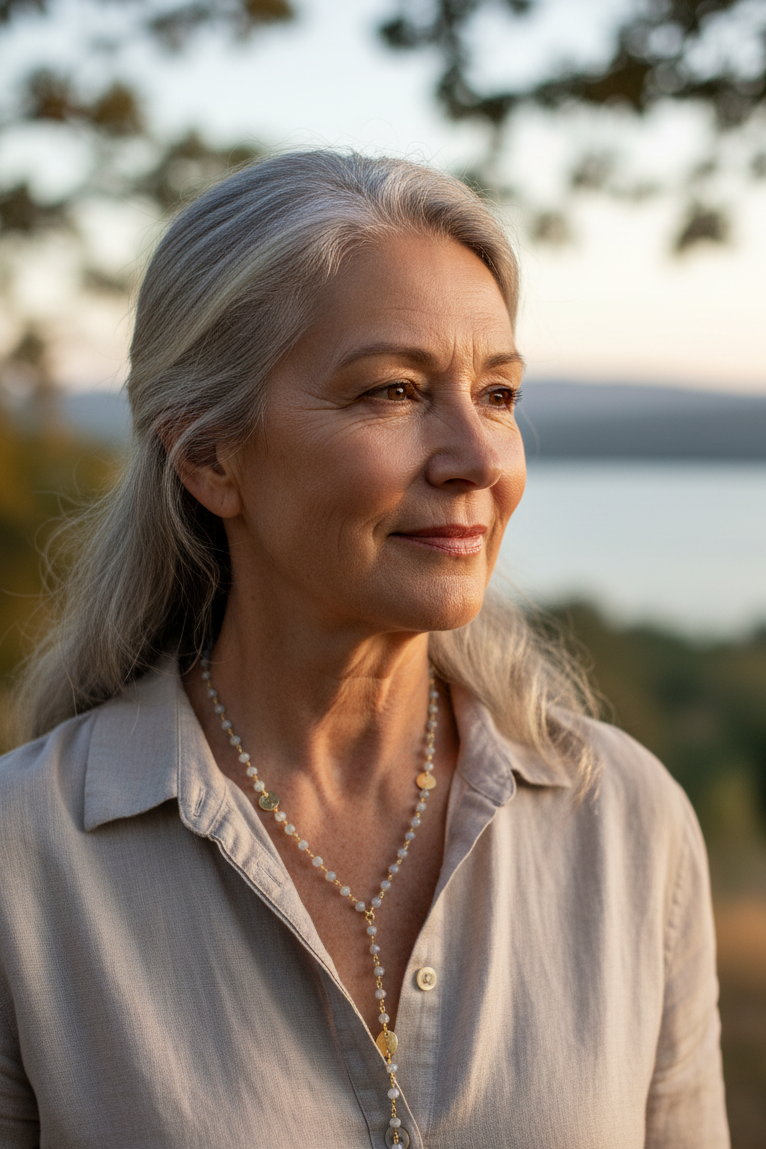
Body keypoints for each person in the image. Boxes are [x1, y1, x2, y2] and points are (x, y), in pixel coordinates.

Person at [0, 151, 728, 1149]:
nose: (477, 460)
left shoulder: (624, 823)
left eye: (499, 395)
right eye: (393, 391)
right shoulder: (26, 860)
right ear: (210, 457)